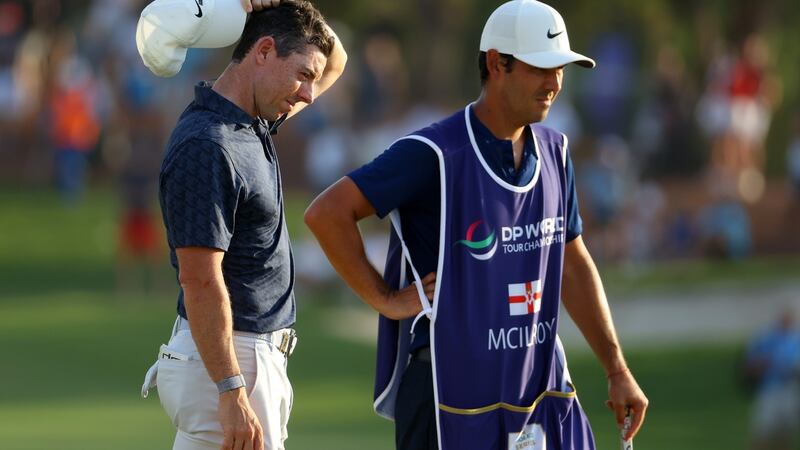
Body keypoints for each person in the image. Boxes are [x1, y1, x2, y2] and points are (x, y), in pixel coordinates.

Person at [304, 1, 647, 449]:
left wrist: (617, 370)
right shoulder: (433, 153)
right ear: (495, 63)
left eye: (560, 68)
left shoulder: (556, 152)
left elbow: (570, 263)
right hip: (449, 396)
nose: (554, 82)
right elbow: (327, 214)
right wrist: (385, 299)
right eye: (540, 68)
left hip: (537, 389)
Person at [138, 1, 347, 449]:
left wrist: (285, 4)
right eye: (303, 76)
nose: (310, 94)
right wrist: (231, 391)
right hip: (234, 361)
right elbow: (199, 279)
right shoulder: (208, 144)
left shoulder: (253, 122)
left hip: (237, 360)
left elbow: (336, 61)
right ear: (264, 51)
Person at [745, 309, 800, 450]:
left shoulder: (796, 340)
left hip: (790, 390)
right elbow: (751, 364)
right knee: (763, 429)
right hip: (770, 389)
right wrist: (765, 363)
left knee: (786, 430)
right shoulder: (766, 339)